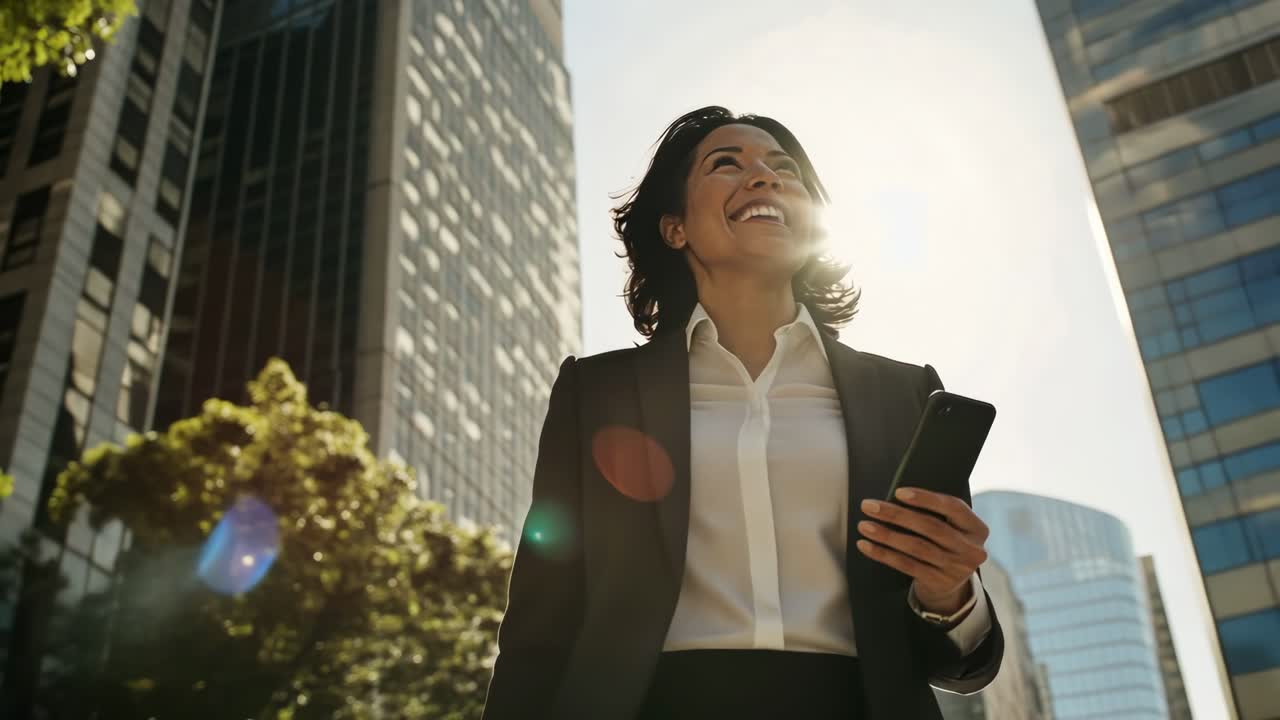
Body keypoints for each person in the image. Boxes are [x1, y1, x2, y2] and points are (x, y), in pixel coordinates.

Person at [482, 106, 1004, 720]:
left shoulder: (904, 394)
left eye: (784, 169)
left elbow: (959, 664)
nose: (764, 178)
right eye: (726, 165)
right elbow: (541, 627)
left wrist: (949, 593)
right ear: (675, 228)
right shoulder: (597, 393)